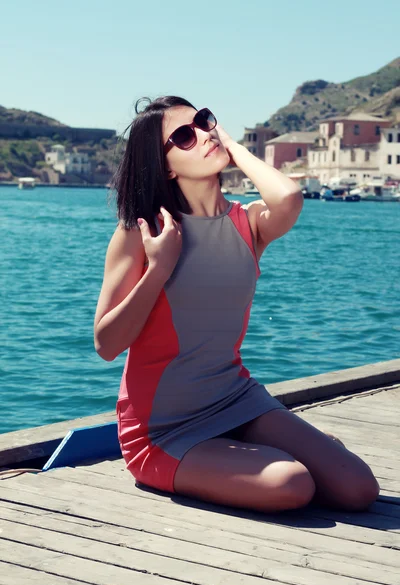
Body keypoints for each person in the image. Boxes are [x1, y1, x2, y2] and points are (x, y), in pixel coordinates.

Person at [94, 96, 379, 513]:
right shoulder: (143, 233)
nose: (204, 134)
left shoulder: (248, 224)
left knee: (359, 489)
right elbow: (106, 344)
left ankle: (265, 450)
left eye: (205, 122)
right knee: (292, 483)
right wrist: (159, 268)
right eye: (184, 136)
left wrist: (228, 142)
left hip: (235, 399)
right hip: (163, 430)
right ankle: (260, 457)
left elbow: (290, 197)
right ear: (166, 166)